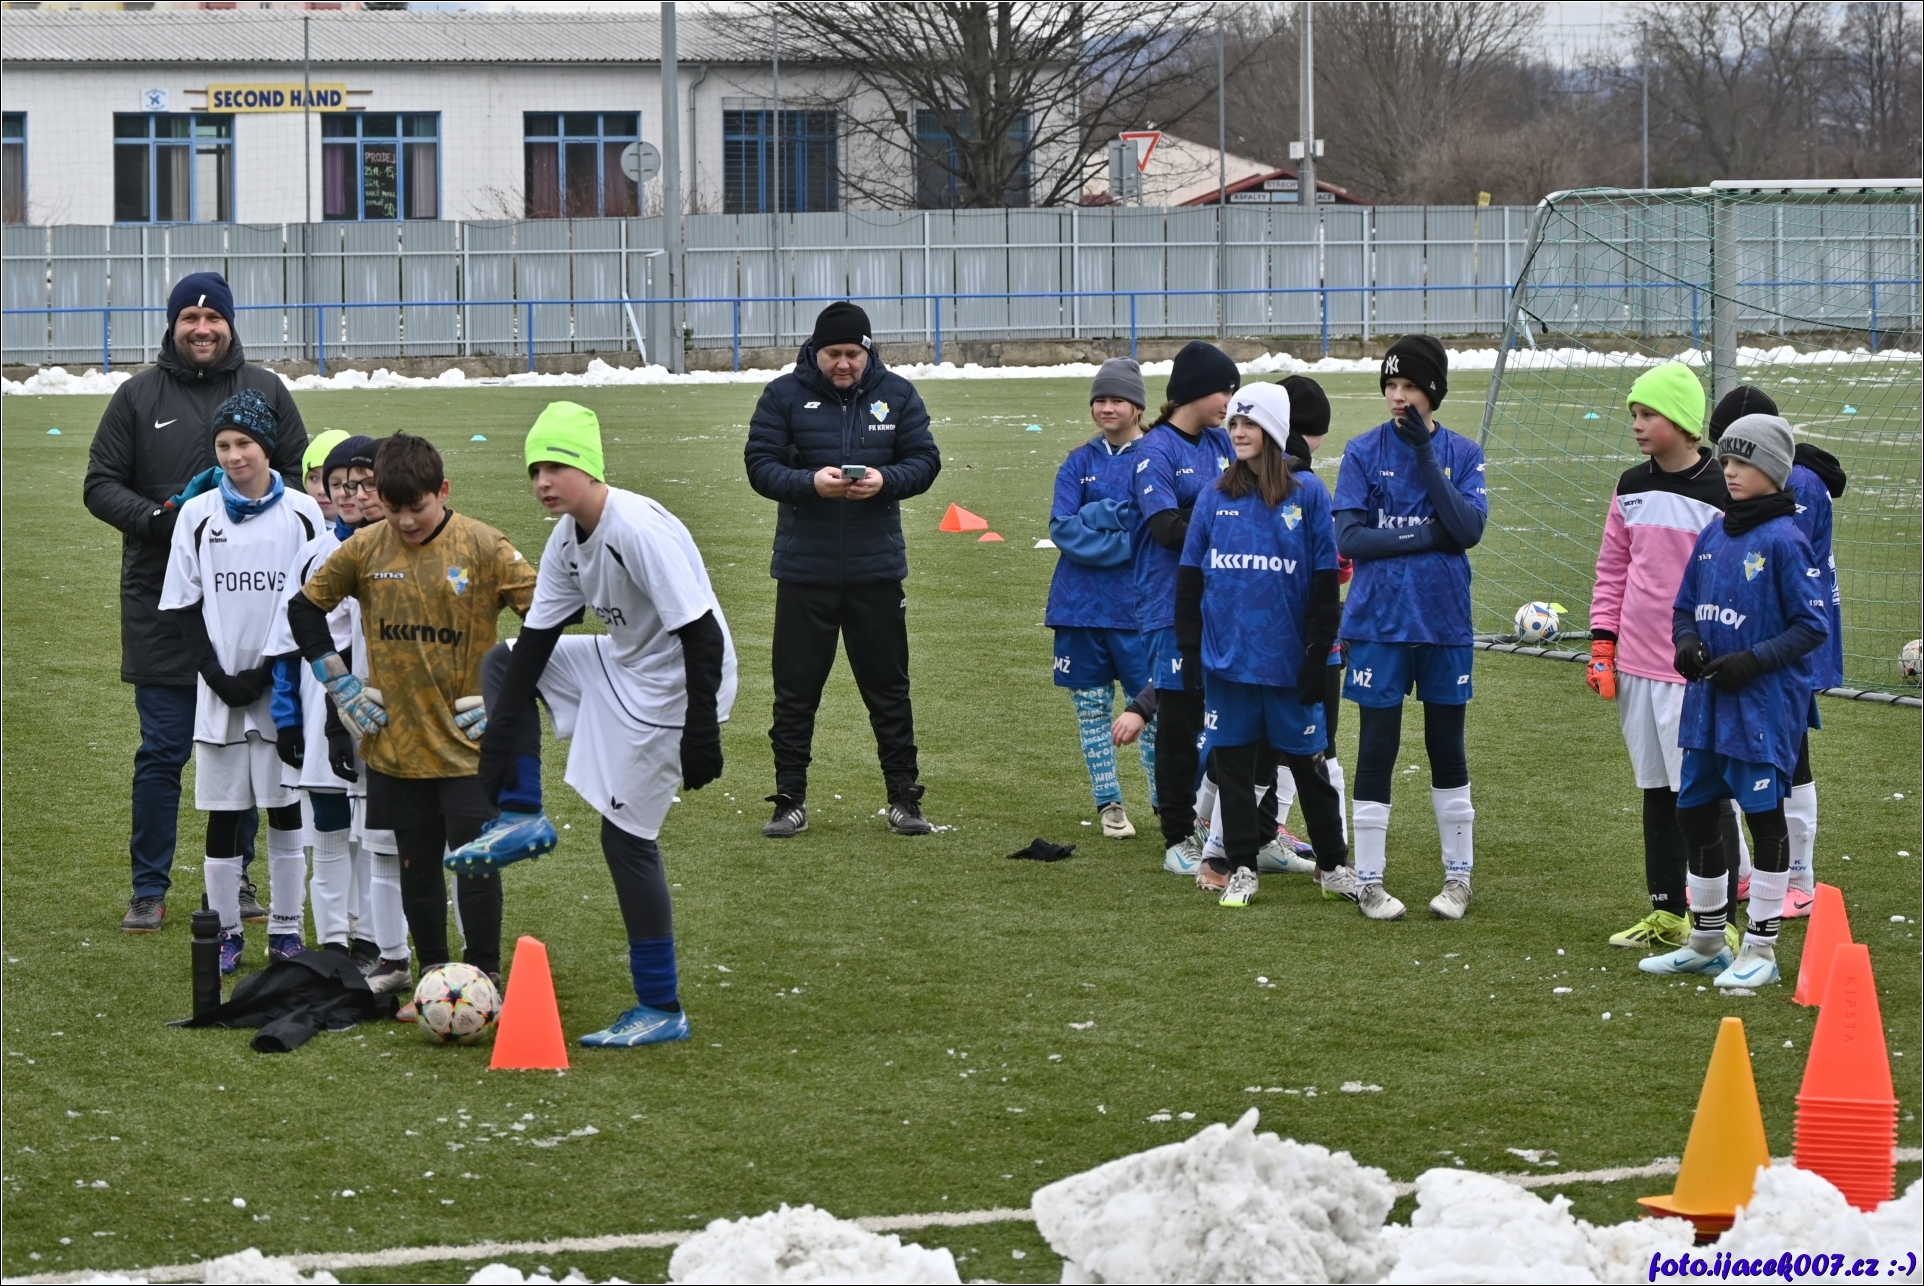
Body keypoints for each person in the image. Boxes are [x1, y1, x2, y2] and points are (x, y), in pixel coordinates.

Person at [449, 402, 737, 1047]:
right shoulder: (565, 539)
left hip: (677, 690)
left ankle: (661, 1006)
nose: (542, 481)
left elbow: (703, 635)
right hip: (627, 664)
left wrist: (702, 727)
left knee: (626, 842)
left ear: (588, 466)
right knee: (504, 660)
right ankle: (523, 814)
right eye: (534, 470)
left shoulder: (635, 528)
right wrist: (499, 745)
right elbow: (538, 641)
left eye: (555, 465)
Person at [84, 270, 308, 932]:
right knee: (162, 750)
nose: (202, 329)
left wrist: (248, 512)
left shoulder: (265, 388)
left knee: (247, 746)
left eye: (213, 319)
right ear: (174, 324)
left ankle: (237, 881)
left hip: (247, 609)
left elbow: (299, 477)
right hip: (160, 604)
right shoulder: (137, 395)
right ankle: (148, 888)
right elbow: (100, 483)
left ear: (229, 325)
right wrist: (163, 519)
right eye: (190, 318)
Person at [288, 432, 536, 999]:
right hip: (397, 746)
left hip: (470, 748)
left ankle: (485, 978)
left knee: (475, 863)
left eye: (416, 508)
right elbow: (303, 610)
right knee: (416, 866)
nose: (404, 522)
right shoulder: (364, 547)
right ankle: (432, 978)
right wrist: (340, 682)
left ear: (442, 491)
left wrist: (506, 691)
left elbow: (550, 615)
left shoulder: (484, 545)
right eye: (393, 508)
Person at [1640, 414, 1828, 989]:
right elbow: (1683, 607)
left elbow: (1811, 625)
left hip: (1759, 710)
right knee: (1694, 813)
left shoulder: (1786, 541)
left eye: (1743, 461)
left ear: (1773, 469)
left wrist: (1753, 659)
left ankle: (1762, 949)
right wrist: (1686, 642)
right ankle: (1707, 941)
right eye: (1726, 460)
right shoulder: (1713, 533)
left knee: (1765, 820)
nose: (1730, 471)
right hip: (1706, 706)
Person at [743, 301, 942, 838]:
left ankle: (904, 798)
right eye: (833, 353)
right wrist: (810, 484)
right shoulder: (782, 395)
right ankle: (789, 800)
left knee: (888, 691)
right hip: (803, 572)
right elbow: (760, 466)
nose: (844, 364)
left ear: (868, 350)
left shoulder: (898, 394)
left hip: (875, 571)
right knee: (795, 693)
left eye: (853, 353)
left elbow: (925, 461)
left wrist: (885, 480)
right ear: (815, 351)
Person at [156, 390, 325, 972]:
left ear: (266, 446)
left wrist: (267, 670)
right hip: (220, 693)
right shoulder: (197, 515)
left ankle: (286, 928)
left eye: (244, 443)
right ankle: (226, 931)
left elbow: (311, 603)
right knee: (224, 813)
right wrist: (215, 675)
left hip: (283, 691)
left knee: (285, 809)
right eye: (223, 445)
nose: (233, 456)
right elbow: (184, 603)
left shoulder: (303, 512)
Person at [1175, 382, 1349, 908]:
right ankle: (1242, 867)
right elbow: (1190, 578)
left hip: (1289, 664)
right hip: (1229, 664)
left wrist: (1317, 655)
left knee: (1309, 768)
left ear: (1273, 428)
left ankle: (1334, 866)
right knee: (1234, 769)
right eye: (1234, 422)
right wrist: (1190, 649)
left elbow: (1325, 584)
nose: (1238, 431)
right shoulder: (1214, 495)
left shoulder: (1309, 493)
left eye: (1249, 422)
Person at [1588, 363, 1740, 955]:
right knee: (1655, 789)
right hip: (1635, 667)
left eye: (1648, 413)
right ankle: (1666, 911)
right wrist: (1604, 645)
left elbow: (1734, 581)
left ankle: (1720, 919)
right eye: (1634, 414)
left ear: (1681, 421)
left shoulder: (1721, 490)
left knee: (1703, 794)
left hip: (1694, 670)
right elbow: (1612, 569)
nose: (1637, 424)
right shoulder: (1630, 486)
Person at [1333, 335, 1487, 921]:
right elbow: (1351, 538)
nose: (1398, 397)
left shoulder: (1462, 453)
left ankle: (1458, 878)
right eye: (1391, 386)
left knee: (1447, 746)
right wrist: (1425, 535)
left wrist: (1425, 455)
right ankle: (1369, 882)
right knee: (1377, 747)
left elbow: (1467, 530)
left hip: (1444, 622)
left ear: (1434, 393)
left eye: (1411, 387)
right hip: (1377, 623)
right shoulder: (1362, 451)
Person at [264, 434, 411, 993]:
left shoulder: (400, 551)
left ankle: (376, 942)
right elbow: (286, 642)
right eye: (338, 483)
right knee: (326, 823)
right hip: (318, 702)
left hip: (380, 712)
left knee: (379, 829)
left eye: (362, 483)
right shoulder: (313, 553)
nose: (349, 493)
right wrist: (289, 719)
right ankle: (331, 943)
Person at [1706, 386, 1846, 919]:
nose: (1727, 466)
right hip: (1752, 641)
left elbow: (1780, 566)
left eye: (1735, 451)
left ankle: (1798, 878)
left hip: (1786, 646)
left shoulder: (1799, 482)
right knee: (1745, 752)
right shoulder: (1762, 479)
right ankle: (1753, 873)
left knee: (1790, 756)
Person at [1132, 341, 1239, 875]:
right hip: (1171, 604)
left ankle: (1219, 825)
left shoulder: (1222, 442)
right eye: (1225, 391)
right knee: (1178, 721)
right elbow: (1167, 528)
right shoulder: (1155, 451)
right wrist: (1228, 518)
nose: (1230, 403)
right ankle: (1176, 835)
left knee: (1227, 716)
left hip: (1224, 602)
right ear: (1196, 390)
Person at [1046, 358, 1157, 839]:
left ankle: (1166, 802)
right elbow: (1063, 528)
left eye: (1117, 400)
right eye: (1100, 400)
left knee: (1151, 712)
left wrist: (1097, 516)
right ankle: (1109, 803)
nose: (1107, 408)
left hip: (1138, 609)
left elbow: (1150, 524)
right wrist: (1123, 533)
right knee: (1091, 709)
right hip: (1079, 607)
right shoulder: (1078, 461)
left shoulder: (1156, 456)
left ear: (1138, 406)